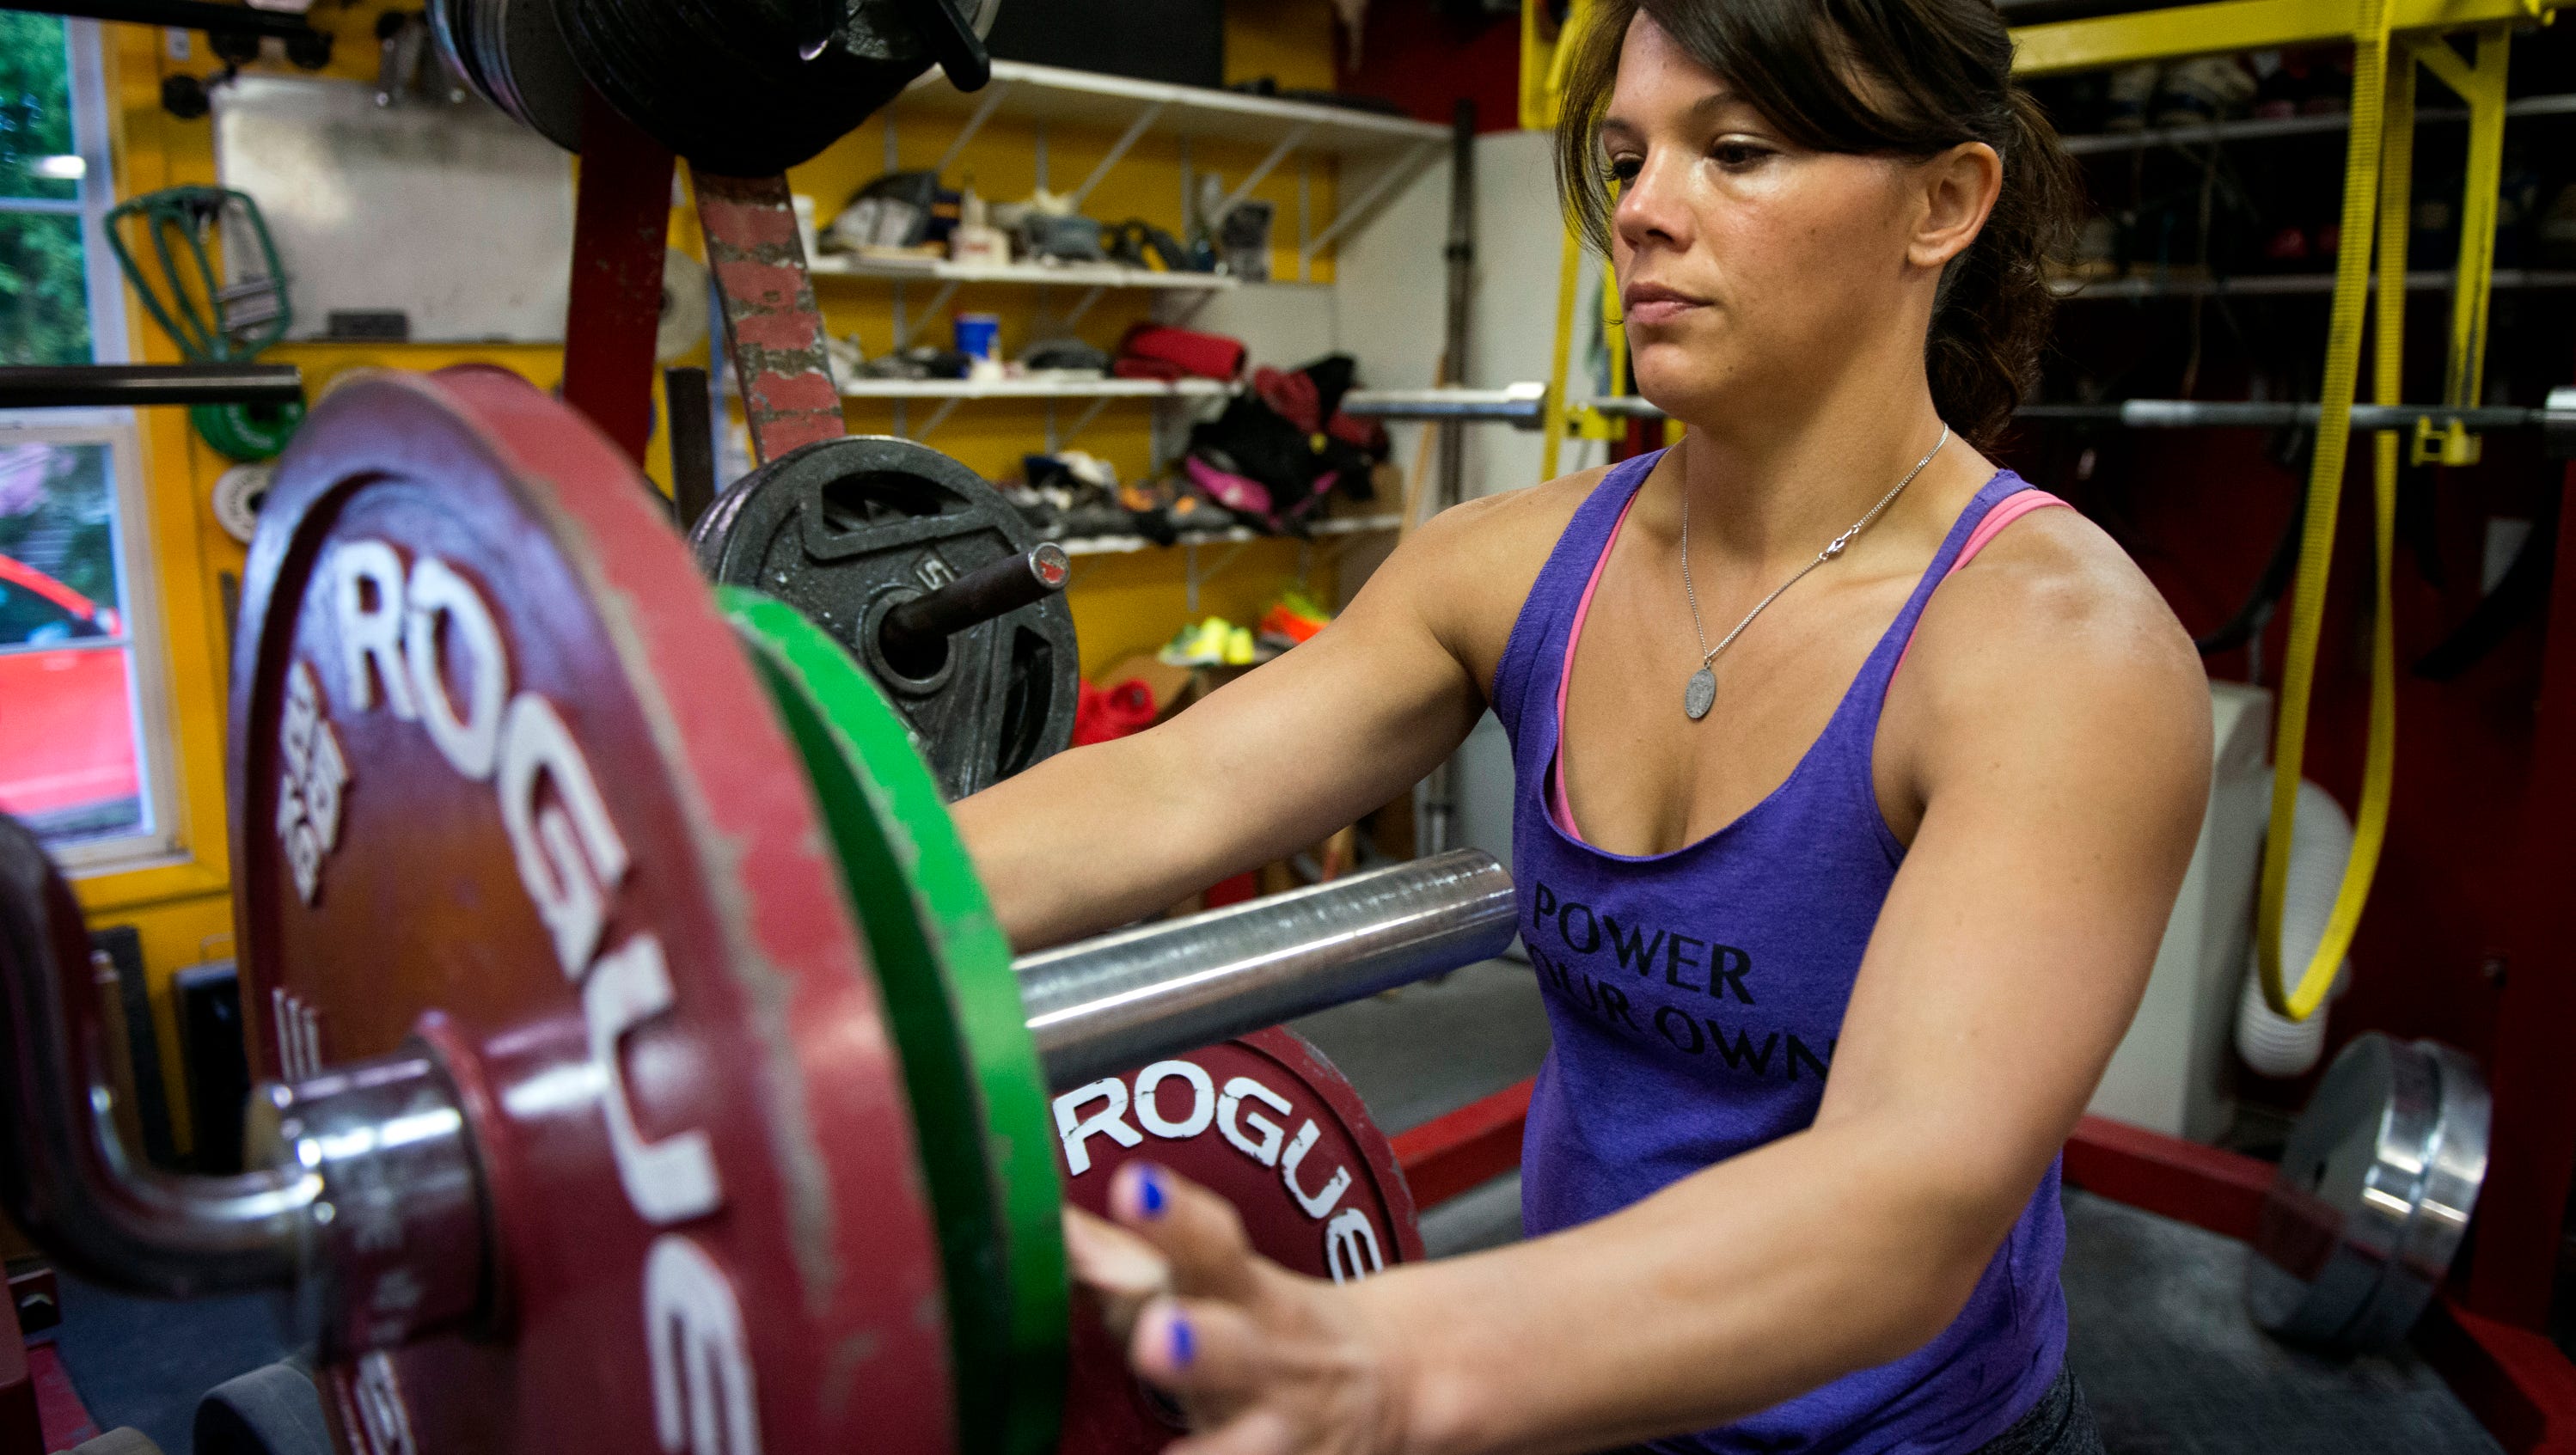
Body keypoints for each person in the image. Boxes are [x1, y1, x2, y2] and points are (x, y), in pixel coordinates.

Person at [951, 0, 2211, 1449]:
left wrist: (1406, 1358)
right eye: (1626, 161)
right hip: (1595, 1407)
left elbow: (1905, 1194)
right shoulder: (1509, 564)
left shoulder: (2053, 652)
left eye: (1733, 150)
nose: (1646, 216)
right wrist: (802, 912)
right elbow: (1168, 791)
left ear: (1942, 202)